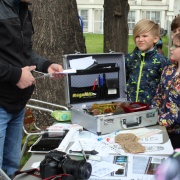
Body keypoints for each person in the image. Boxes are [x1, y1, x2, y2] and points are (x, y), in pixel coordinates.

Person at [0, 0, 64, 177]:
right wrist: (16, 75)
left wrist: (46, 65)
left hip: (17, 105)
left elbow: (26, 53)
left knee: (11, 168)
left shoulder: (23, 9)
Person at [125, 19, 170, 104]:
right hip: (129, 108)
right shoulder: (128, 59)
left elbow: (165, 88)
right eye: (137, 36)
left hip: (150, 110)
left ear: (155, 38)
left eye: (145, 36)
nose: (140, 39)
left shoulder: (163, 61)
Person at [152, 33, 180, 149]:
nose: (171, 48)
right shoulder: (168, 69)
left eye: (176, 46)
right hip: (161, 130)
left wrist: (160, 119)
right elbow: (158, 94)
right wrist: (152, 113)